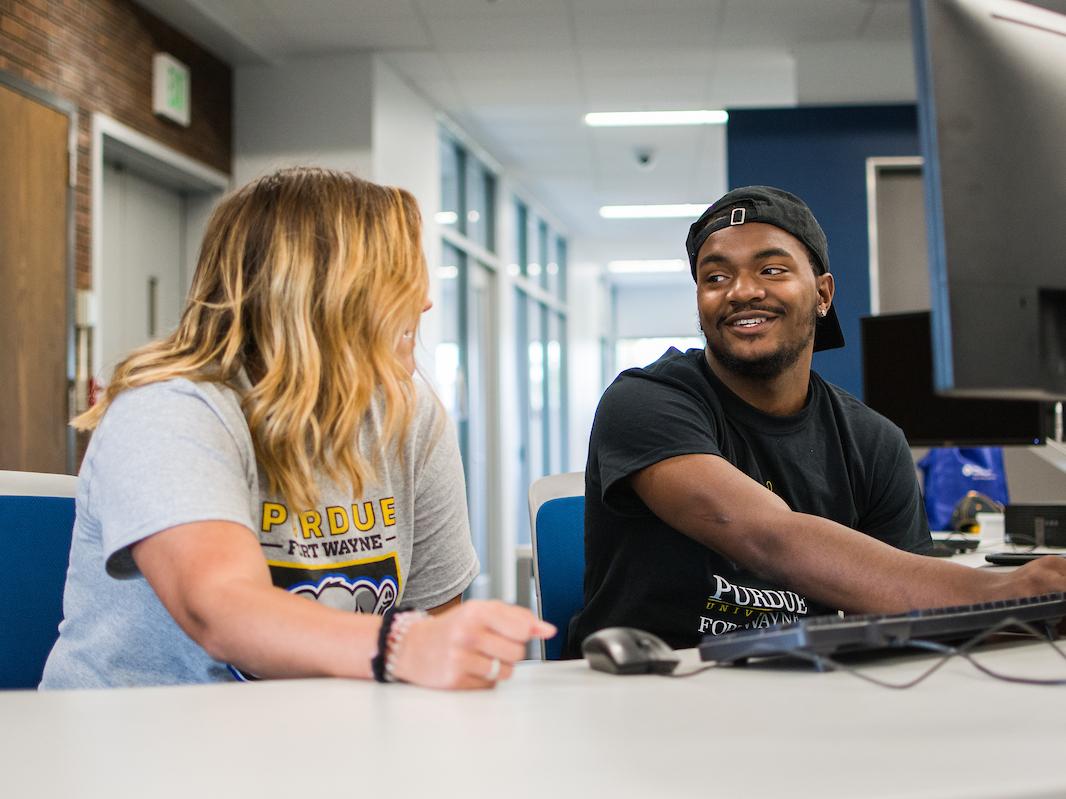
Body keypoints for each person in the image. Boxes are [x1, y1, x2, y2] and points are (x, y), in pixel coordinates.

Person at [41, 167, 554, 690]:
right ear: (327, 292)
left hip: (318, 739)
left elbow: (440, 633)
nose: (424, 301)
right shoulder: (171, 408)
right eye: (401, 278)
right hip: (138, 747)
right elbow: (220, 608)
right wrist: (404, 645)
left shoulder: (410, 415)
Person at [567, 185, 1066, 655]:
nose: (742, 291)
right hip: (646, 697)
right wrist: (1013, 588)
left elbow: (911, 606)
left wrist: (1037, 611)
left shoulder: (873, 441)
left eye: (772, 270)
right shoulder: (645, 401)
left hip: (807, 693)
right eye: (715, 277)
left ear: (823, 294)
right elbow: (767, 536)